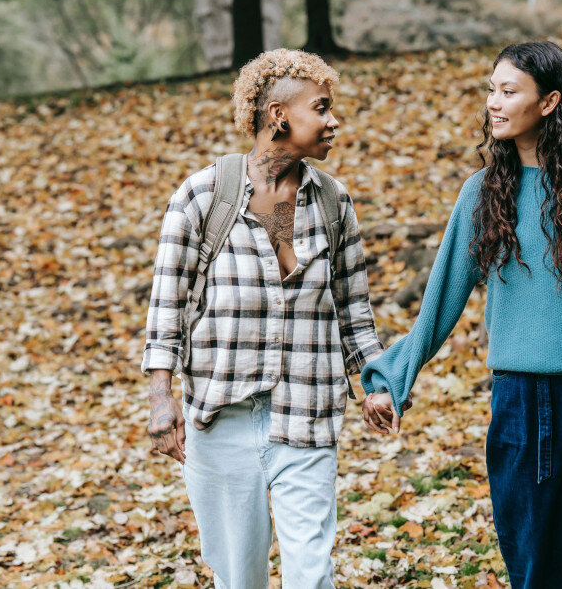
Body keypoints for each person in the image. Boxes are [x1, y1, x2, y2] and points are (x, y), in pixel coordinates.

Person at [360, 41, 562, 589]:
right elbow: (441, 302)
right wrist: (393, 378)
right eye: (491, 90)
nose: (494, 103)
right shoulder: (481, 195)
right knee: (534, 572)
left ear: (549, 101)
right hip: (524, 402)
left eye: (509, 91)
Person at [142, 48, 385, 588]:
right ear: (278, 115)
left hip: (308, 411)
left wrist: (378, 381)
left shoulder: (332, 202)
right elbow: (166, 308)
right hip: (221, 416)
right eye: (320, 108)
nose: (333, 121)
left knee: (311, 576)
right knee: (239, 579)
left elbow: (354, 310)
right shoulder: (203, 196)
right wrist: (161, 398)